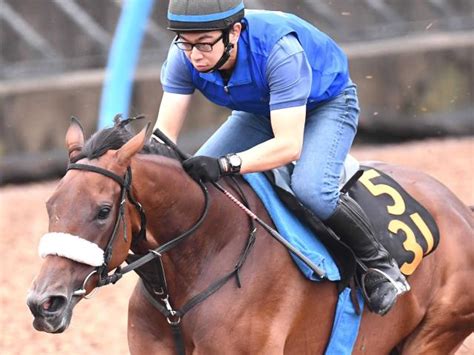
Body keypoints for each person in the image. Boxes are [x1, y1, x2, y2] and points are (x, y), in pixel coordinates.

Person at [153, 0, 409, 315]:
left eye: (204, 44)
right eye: (186, 44)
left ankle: (380, 266)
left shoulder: (280, 52)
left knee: (311, 189)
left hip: (326, 106)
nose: (194, 55)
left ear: (234, 31)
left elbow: (288, 146)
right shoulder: (184, 53)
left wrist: (225, 164)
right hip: (259, 112)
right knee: (194, 187)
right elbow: (164, 139)